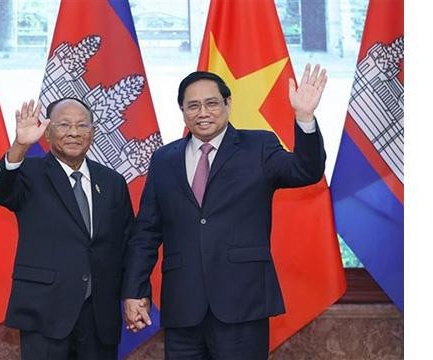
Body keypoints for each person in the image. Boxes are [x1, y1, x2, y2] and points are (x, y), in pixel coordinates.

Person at [122, 65, 328, 359]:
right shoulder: (164, 159)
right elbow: (146, 233)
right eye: (193, 105)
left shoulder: (258, 145)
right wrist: (134, 289)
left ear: (228, 104)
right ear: (182, 110)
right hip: (183, 307)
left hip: (242, 302)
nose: (202, 112)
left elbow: (306, 171)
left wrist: (305, 117)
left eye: (211, 103)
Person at [0, 97, 134, 359]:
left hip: (100, 313)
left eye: (82, 125)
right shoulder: (29, 172)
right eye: (64, 125)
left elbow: (127, 242)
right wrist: (20, 146)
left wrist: (134, 294)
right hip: (45, 310)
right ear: (48, 131)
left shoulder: (112, 181)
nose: (74, 132)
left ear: (93, 131)